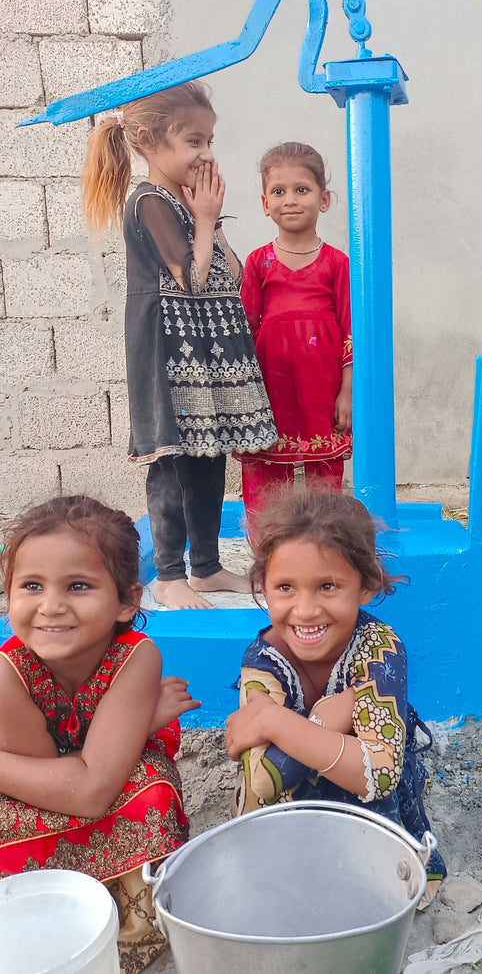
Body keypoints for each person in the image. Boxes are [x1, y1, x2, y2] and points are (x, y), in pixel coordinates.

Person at [81, 80, 277, 610]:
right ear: (150, 141)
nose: (207, 154)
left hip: (207, 351)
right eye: (194, 142)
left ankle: (207, 568)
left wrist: (213, 219)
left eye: (210, 141)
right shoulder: (149, 202)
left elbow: (229, 276)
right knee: (171, 459)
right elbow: (189, 279)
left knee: (208, 459)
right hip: (170, 352)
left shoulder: (186, 203)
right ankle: (169, 575)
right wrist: (208, 220)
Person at [0, 496, 198, 973]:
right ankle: (45, 916)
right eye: (31, 585)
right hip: (33, 791)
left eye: (78, 586)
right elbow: (58, 781)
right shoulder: (7, 674)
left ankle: (129, 935)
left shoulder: (136, 656)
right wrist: (137, 725)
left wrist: (115, 745)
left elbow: (89, 792)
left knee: (150, 789)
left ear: (128, 601)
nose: (51, 607)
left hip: (91, 784)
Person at [225, 490, 446, 899]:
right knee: (274, 887)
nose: (306, 610)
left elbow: (378, 776)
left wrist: (276, 721)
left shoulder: (379, 648)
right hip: (285, 820)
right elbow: (266, 780)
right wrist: (333, 719)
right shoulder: (262, 661)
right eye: (285, 587)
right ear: (263, 586)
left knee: (366, 886)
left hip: (367, 811)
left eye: (328, 586)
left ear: (365, 587)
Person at [238, 142, 353, 516]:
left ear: (324, 199)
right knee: (266, 474)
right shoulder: (259, 262)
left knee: (325, 479)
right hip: (271, 389)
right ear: (264, 203)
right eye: (279, 191)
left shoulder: (338, 264)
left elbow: (351, 331)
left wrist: (346, 392)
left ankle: (325, 547)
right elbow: (245, 333)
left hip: (322, 388)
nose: (290, 200)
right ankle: (270, 552)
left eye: (302, 190)